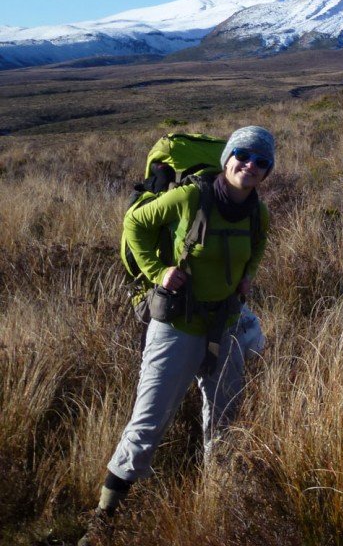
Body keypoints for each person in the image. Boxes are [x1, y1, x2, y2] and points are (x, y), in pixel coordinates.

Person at [79, 127, 274, 545]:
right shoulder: (191, 197)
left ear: (268, 171)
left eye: (262, 161)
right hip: (177, 325)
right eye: (243, 155)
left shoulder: (259, 213)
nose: (251, 165)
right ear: (226, 158)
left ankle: (217, 506)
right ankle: (105, 518)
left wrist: (247, 278)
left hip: (224, 325)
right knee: (148, 422)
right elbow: (135, 223)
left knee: (225, 419)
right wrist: (158, 272)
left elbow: (256, 248)